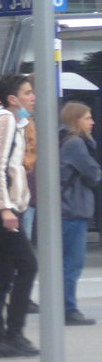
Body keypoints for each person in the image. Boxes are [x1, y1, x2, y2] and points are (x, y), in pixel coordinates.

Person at [0, 72, 39, 359]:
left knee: (3, 272)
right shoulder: (4, 119)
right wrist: (5, 208)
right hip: (3, 211)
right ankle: (12, 335)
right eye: (28, 93)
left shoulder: (14, 121)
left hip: (6, 209)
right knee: (27, 265)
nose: (33, 97)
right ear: (13, 99)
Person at [59, 101, 100, 326]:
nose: (92, 122)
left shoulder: (65, 141)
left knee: (66, 262)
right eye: (87, 118)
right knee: (72, 264)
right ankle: (68, 309)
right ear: (76, 121)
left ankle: (64, 306)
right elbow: (93, 174)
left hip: (67, 209)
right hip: (73, 209)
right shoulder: (76, 144)